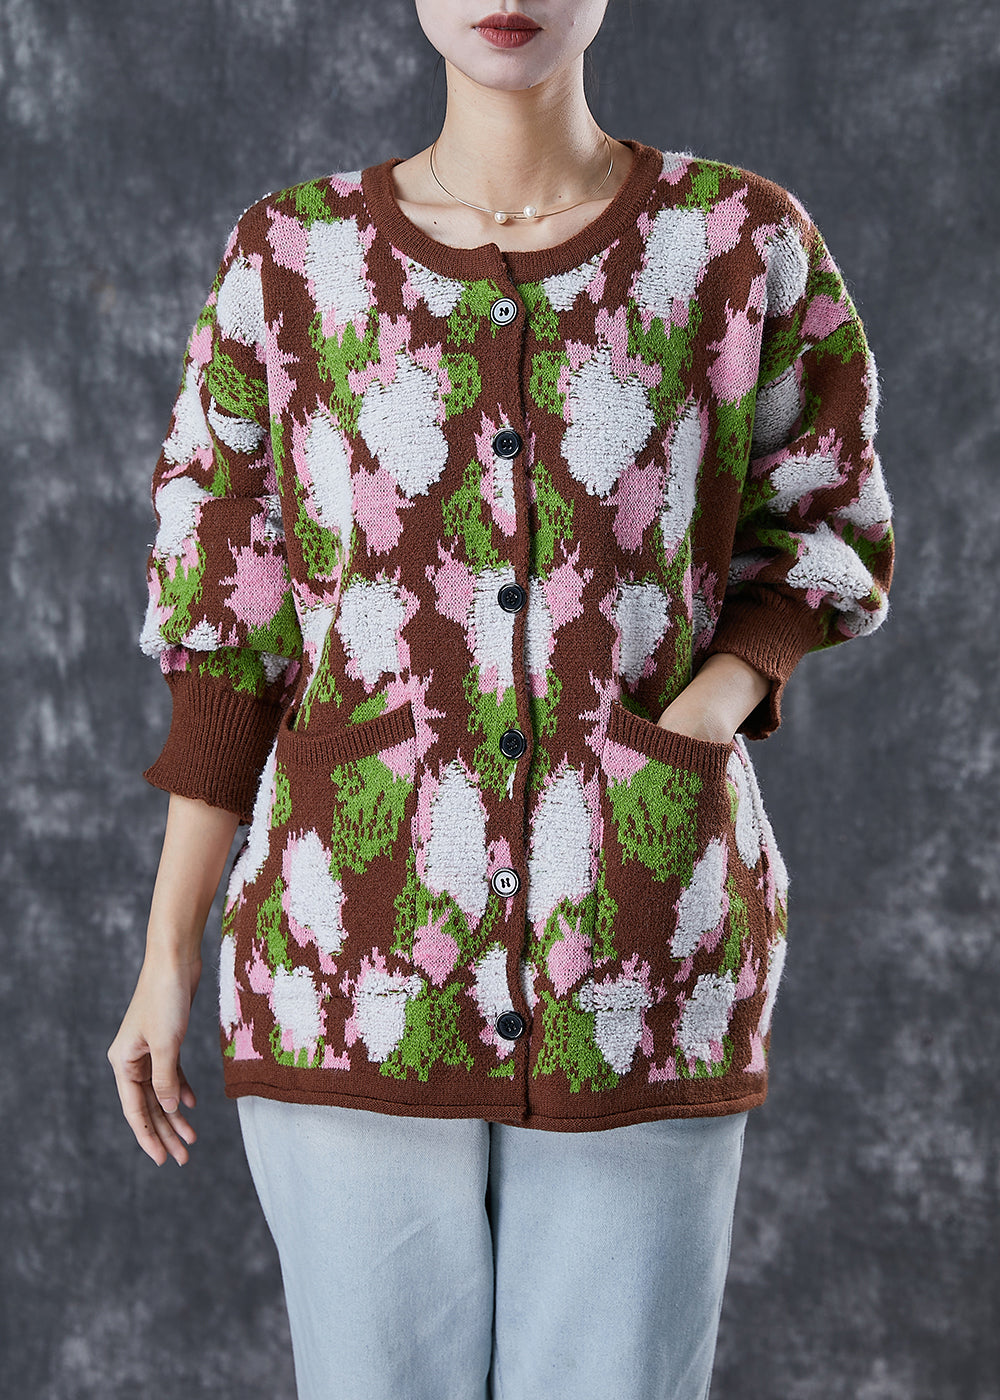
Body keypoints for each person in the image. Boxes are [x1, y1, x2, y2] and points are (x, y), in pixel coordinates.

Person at [107, 3, 894, 1397]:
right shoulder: (288, 261)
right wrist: (169, 956)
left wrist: (706, 712)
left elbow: (824, 523)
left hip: (642, 953)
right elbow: (231, 631)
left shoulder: (735, 242)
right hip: (342, 963)